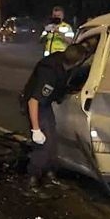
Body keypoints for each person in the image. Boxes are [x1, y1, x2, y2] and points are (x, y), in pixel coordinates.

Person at [22, 43, 86, 188]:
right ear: (78, 61)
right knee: (43, 144)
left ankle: (49, 174)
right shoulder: (49, 72)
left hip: (44, 104)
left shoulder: (63, 63)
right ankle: (32, 180)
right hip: (36, 105)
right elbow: (33, 101)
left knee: (52, 141)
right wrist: (36, 129)